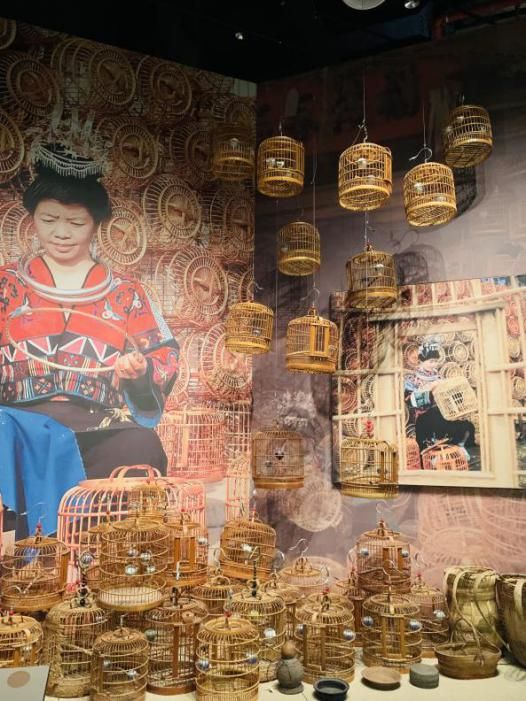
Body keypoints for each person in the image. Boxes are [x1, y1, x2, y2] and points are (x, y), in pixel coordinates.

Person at [0, 142, 178, 532]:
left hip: (96, 425)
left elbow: (163, 354)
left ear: (95, 224)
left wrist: (139, 369)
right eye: (49, 219)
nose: (61, 233)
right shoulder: (6, 284)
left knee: (141, 446)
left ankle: (109, 556)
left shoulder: (127, 293)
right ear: (32, 218)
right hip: (16, 424)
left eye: (76, 223)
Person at [404, 339, 475, 463]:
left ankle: (456, 448)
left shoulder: (438, 376)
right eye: (431, 361)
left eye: (436, 361)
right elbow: (411, 402)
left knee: (467, 426)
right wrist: (431, 390)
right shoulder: (412, 379)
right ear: (421, 361)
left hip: (442, 415)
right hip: (424, 419)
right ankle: (435, 454)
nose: (434, 364)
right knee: (435, 417)